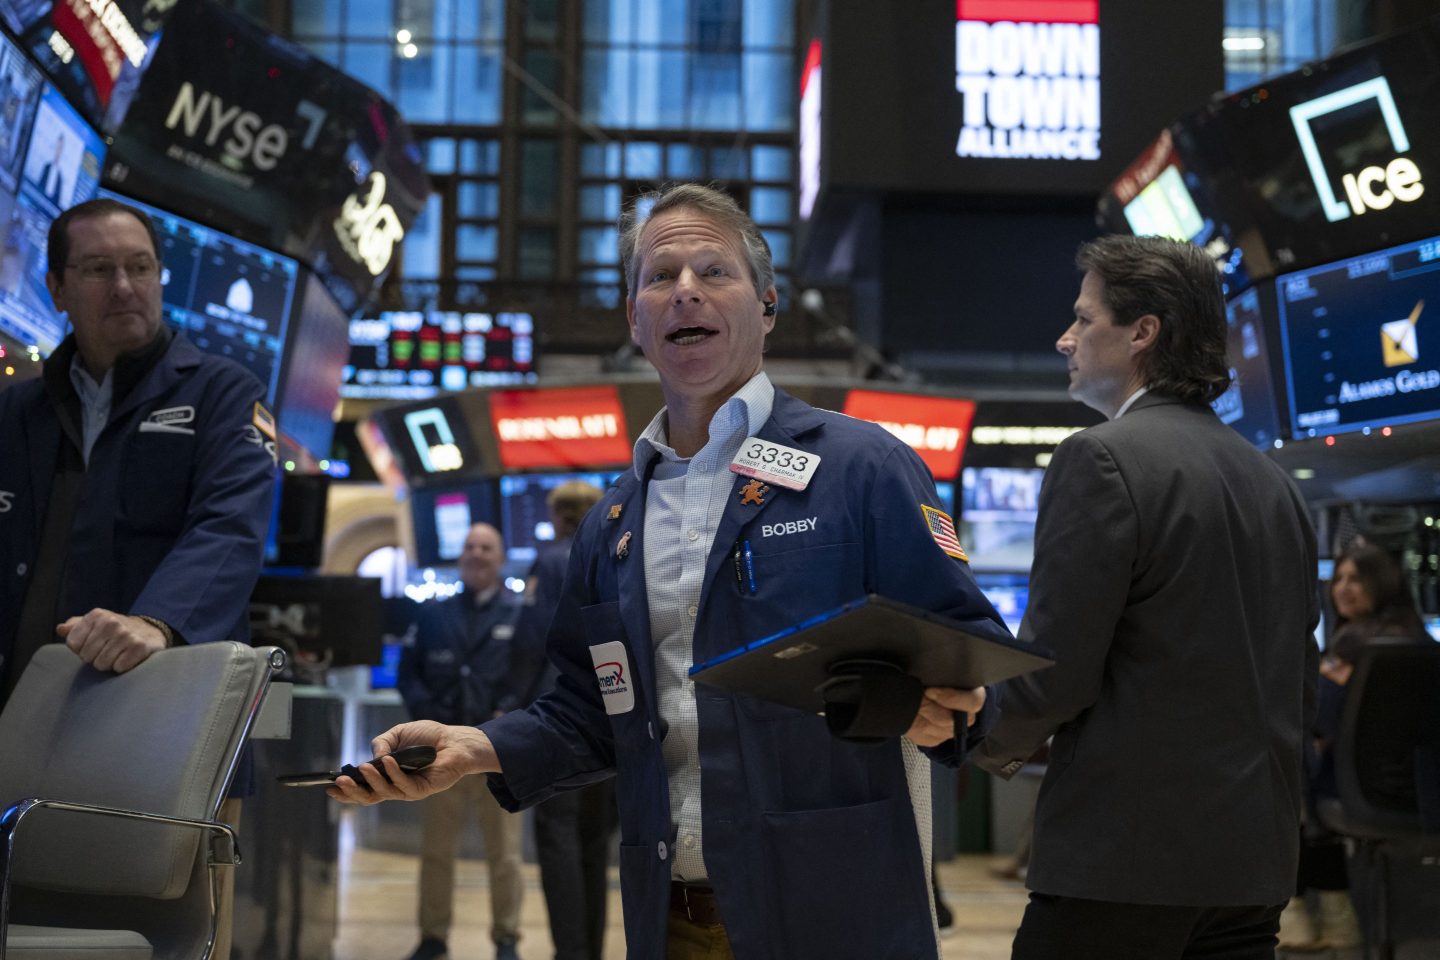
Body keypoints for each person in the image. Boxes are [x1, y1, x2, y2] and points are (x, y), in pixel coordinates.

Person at [331, 182, 1004, 960]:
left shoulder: (861, 470)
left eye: (715, 271)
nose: (685, 290)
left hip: (834, 905)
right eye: (660, 276)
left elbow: (976, 660)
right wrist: (475, 746)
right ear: (635, 320)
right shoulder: (614, 522)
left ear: (768, 305)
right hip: (672, 914)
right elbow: (590, 709)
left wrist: (960, 706)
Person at [971, 234, 1320, 960]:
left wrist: (969, 733)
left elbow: (1054, 670)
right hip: (1252, 866)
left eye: (1084, 318)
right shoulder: (1276, 484)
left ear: (1143, 332)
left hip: (1123, 865)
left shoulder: (1098, 459)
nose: (1065, 338)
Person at [0, 196, 277, 958]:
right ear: (56, 289)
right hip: (27, 728)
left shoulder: (223, 393)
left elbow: (231, 528)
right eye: (97, 269)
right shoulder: (15, 412)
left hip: (175, 739)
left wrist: (157, 622)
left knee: (173, 940)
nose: (124, 286)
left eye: (140, 267)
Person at [1278, 538, 1431, 951]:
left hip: (1359, 793)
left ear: (1381, 585)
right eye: (1339, 578)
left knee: (1284, 781)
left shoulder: (1349, 647)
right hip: (1425, 794)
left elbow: (1317, 717)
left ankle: (1295, 914)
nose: (1343, 587)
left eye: (1356, 579)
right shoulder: (1422, 643)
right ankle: (1337, 918)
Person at [396, 522, 524, 960]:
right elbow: (408, 675)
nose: (476, 554)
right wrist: (427, 718)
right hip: (438, 756)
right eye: (469, 546)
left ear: (500, 557)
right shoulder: (433, 615)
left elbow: (533, 675)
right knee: (436, 852)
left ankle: (506, 939)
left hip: (497, 755)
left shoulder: (518, 613)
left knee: (505, 854)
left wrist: (510, 714)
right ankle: (433, 938)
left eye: (486, 547)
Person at [508, 479, 618, 960]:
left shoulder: (550, 560)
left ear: (558, 516)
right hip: (611, 716)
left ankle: (569, 953)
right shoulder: (616, 553)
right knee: (596, 844)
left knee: (558, 842)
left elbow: (534, 640)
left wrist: (514, 704)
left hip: (559, 716)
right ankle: (590, 950)